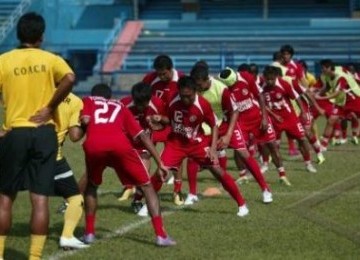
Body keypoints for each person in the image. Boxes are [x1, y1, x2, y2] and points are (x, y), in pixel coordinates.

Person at [0, 12, 74, 260]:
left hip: (15, 133)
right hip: (44, 134)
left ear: (18, 34)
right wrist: (51, 108)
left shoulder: (4, 61)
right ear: (41, 37)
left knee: (5, 198)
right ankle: (34, 257)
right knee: (40, 198)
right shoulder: (50, 59)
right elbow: (70, 78)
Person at [138, 76, 250, 217]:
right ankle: (148, 204)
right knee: (161, 172)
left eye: (189, 96)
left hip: (197, 143)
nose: (185, 99)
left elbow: (214, 125)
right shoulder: (173, 100)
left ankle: (242, 204)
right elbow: (169, 120)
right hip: (176, 144)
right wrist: (159, 119)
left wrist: (213, 149)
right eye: (182, 96)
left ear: (195, 91)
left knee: (218, 171)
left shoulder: (203, 105)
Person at [81, 83, 175, 246]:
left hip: (94, 145)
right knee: (147, 186)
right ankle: (161, 235)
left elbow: (85, 120)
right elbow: (142, 137)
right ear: (109, 97)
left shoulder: (88, 100)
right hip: (121, 146)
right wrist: (160, 163)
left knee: (92, 186)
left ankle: (89, 233)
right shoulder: (119, 105)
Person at [186, 63, 272, 205]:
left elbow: (235, 111)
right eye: (195, 84)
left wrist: (227, 136)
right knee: (192, 157)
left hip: (226, 125)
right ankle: (192, 194)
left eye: (199, 84)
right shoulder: (195, 90)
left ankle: (265, 189)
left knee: (243, 154)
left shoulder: (220, 88)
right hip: (207, 128)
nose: (197, 87)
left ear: (206, 79)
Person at [218, 67, 292, 186]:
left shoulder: (246, 77)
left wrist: (264, 116)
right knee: (239, 150)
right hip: (240, 122)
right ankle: (242, 176)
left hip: (257, 117)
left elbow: (260, 95)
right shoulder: (221, 87)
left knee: (272, 145)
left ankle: (282, 175)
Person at [142, 54, 185, 202]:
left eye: (164, 73)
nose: (161, 77)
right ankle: (143, 187)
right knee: (145, 153)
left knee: (176, 157)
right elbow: (142, 97)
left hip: (173, 123)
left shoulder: (181, 79)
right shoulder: (150, 78)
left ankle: (177, 191)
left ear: (170, 69)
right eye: (158, 74)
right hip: (153, 124)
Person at [120, 82, 168, 211]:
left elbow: (167, 122)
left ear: (150, 99)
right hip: (126, 144)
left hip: (144, 146)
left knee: (143, 175)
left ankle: (137, 200)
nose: (141, 107)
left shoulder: (157, 104)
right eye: (138, 104)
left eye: (144, 104)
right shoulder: (124, 104)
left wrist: (159, 122)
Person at [262, 66, 317, 173]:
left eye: (271, 79)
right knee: (267, 143)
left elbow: (296, 98)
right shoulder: (263, 88)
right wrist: (273, 115)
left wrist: (304, 112)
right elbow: (263, 105)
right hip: (274, 120)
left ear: (276, 77)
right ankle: (265, 164)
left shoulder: (284, 84)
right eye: (267, 79)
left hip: (290, 118)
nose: (269, 81)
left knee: (302, 139)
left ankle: (308, 163)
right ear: (264, 77)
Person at [53, 93, 89, 250]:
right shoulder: (74, 101)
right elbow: (75, 136)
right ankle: (67, 237)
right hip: (51, 156)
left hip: (19, 150)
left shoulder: (36, 88)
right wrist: (86, 125)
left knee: (6, 198)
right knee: (75, 198)